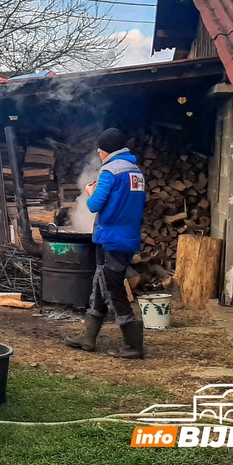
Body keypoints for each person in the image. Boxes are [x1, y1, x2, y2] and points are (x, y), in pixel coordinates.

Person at [65, 128, 147, 359]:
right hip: (127, 236)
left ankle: (133, 344)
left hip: (110, 238)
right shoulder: (135, 171)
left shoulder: (111, 170)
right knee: (101, 283)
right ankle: (88, 337)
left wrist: (90, 190)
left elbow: (95, 205)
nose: (100, 155)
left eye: (100, 151)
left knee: (113, 287)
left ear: (106, 150)